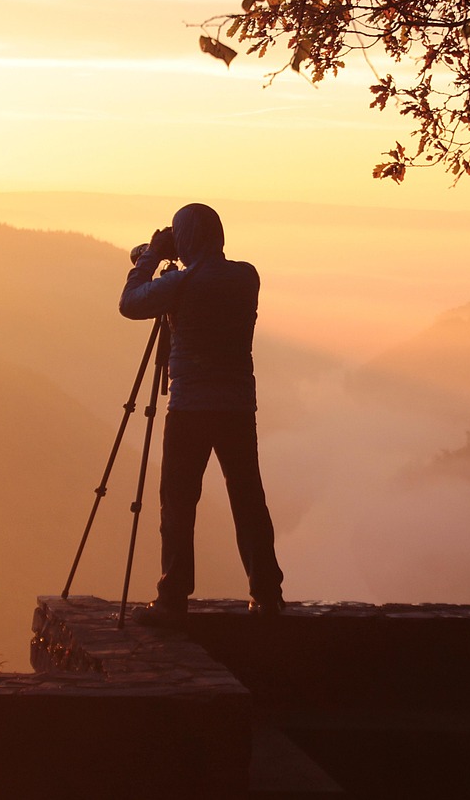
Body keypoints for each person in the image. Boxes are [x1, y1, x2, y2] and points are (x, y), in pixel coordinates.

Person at [118, 202, 285, 627]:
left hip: (190, 407)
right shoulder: (247, 277)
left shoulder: (180, 283)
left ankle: (172, 598)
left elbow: (130, 303)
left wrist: (152, 256)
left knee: (178, 503)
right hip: (236, 406)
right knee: (248, 499)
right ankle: (267, 595)